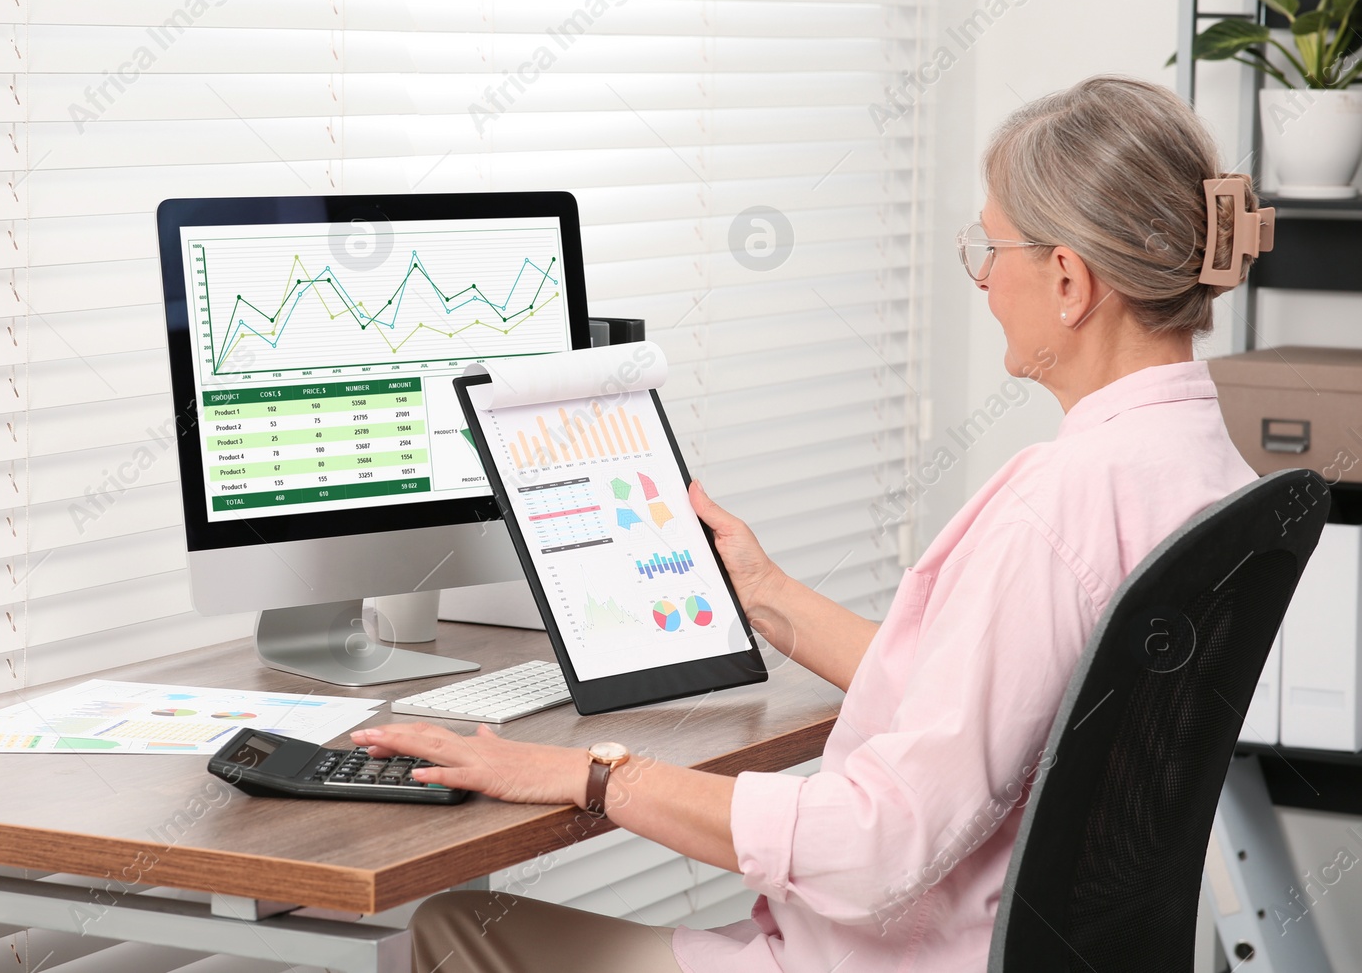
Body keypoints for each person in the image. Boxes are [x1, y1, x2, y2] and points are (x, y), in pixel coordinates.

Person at [349, 75, 1264, 973]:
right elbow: (997, 700)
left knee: (456, 925)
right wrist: (768, 594)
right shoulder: (1203, 466)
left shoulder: (1054, 509)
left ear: (1067, 278)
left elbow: (879, 847)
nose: (984, 283)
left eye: (991, 250)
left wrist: (595, 774)